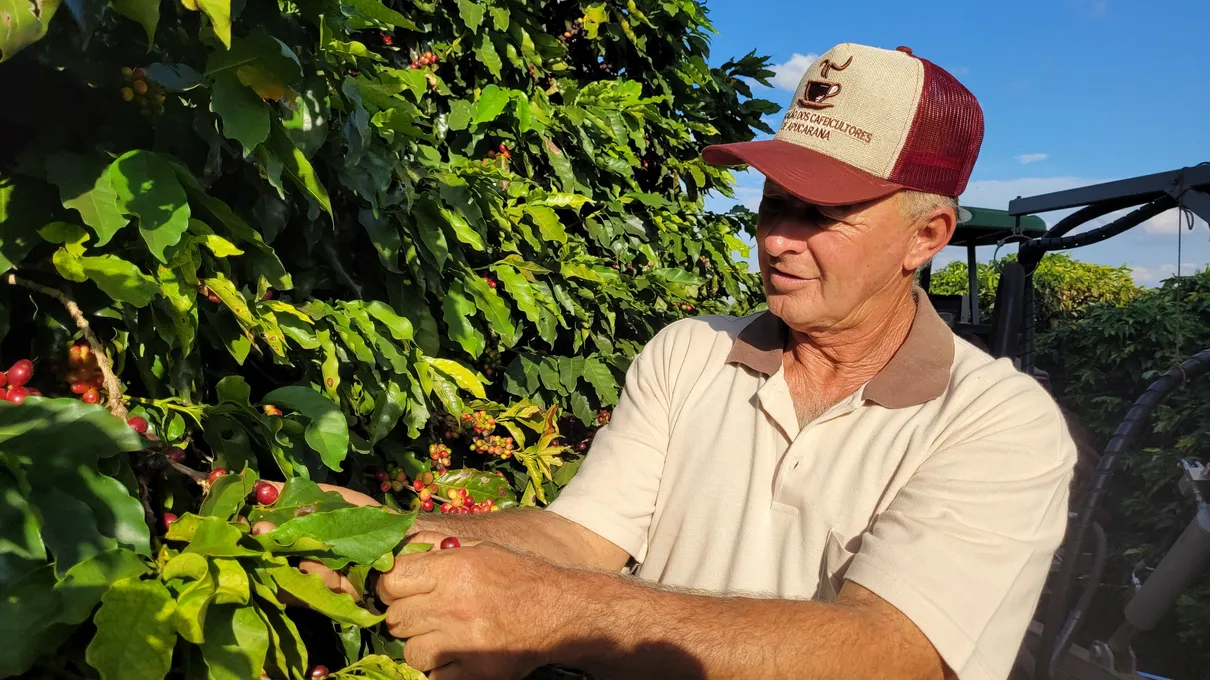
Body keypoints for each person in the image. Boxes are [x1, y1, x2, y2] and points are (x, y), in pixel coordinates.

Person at [296, 43, 1079, 680]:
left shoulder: (998, 424)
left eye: (823, 214)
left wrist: (555, 612)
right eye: (775, 202)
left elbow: (889, 653)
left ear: (926, 235)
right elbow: (581, 538)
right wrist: (390, 536)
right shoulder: (690, 352)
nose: (777, 238)